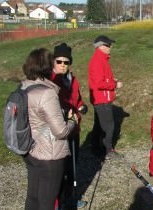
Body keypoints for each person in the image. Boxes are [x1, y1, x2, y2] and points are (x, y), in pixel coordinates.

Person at [22, 48, 77, 210]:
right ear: (47, 66)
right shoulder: (47, 92)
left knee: (33, 197)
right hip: (50, 155)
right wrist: (72, 121)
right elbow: (60, 131)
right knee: (47, 200)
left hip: (32, 150)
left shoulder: (26, 86)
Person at [51, 43, 87, 209]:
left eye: (66, 62)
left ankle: (71, 198)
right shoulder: (50, 81)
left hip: (74, 128)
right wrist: (65, 113)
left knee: (73, 166)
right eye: (59, 61)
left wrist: (81, 106)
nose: (63, 65)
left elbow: (77, 100)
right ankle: (57, 202)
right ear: (53, 61)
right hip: (58, 132)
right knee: (59, 171)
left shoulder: (73, 80)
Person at [88, 35, 123, 160]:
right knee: (108, 126)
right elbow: (99, 83)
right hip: (102, 99)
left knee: (99, 124)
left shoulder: (102, 59)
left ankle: (95, 148)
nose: (110, 47)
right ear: (101, 46)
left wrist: (111, 79)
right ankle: (107, 150)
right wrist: (114, 85)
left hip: (100, 98)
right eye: (108, 45)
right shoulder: (98, 60)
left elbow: (102, 78)